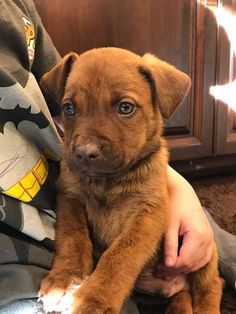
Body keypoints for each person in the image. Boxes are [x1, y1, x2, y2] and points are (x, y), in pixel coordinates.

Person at [0, 0, 235, 313]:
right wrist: (74, 268)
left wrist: (182, 189)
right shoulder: (74, 168)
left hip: (153, 202)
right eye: (72, 108)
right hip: (23, 243)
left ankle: (203, 297)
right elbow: (70, 200)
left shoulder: (17, 9)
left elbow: (151, 216)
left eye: (125, 107)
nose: (87, 146)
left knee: (207, 241)